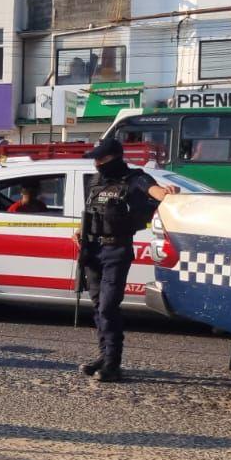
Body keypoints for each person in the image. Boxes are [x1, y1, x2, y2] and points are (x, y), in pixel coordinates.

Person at [75, 137, 178, 383]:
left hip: (116, 250)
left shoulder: (134, 178)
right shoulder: (95, 182)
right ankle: (104, 356)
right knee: (99, 307)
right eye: (95, 159)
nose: (97, 163)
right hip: (92, 250)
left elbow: (153, 190)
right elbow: (91, 213)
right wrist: (80, 231)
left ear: (116, 157)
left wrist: (166, 193)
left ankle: (113, 364)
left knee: (109, 307)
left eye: (102, 158)